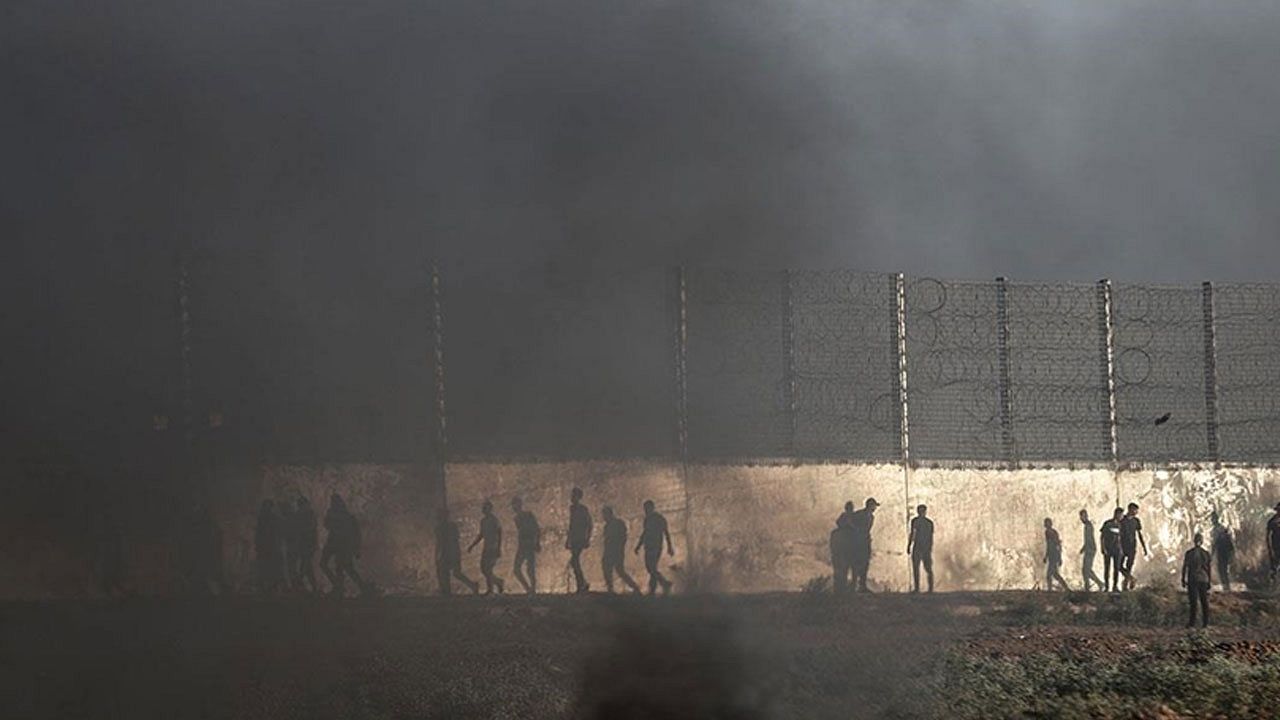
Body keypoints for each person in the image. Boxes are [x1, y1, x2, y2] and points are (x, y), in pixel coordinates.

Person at [320, 494, 372, 598]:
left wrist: (356, 548)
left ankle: (341, 588)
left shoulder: (346, 516)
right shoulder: (344, 515)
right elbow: (327, 525)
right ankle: (342, 587)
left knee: (343, 567)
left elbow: (355, 534)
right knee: (341, 567)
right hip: (337, 544)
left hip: (340, 545)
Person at [435, 508, 479, 595]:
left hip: (450, 552)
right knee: (448, 572)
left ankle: (448, 591)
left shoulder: (446, 527)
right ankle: (447, 591)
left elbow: (444, 542)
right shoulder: (444, 527)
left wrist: (438, 555)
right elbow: (440, 543)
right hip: (450, 552)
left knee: (452, 572)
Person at [635, 500, 674, 595]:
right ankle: (654, 588)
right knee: (651, 567)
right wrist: (639, 545)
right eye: (645, 509)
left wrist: (670, 546)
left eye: (647, 508)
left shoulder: (658, 518)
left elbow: (666, 533)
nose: (645, 510)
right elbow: (645, 533)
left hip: (656, 546)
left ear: (652, 508)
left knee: (651, 567)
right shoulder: (647, 519)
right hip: (649, 546)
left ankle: (663, 583)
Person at [467, 500, 505, 595]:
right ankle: (498, 582)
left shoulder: (494, 520)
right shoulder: (483, 521)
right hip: (486, 548)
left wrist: (499, 548)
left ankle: (491, 589)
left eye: (485, 507)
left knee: (488, 569)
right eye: (483, 508)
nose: (483, 509)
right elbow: (481, 535)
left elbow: (499, 534)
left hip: (493, 548)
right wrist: (472, 545)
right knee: (484, 569)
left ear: (490, 509)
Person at [601, 506, 641, 594]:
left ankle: (633, 587)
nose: (603, 517)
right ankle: (612, 588)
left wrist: (618, 548)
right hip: (612, 550)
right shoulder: (611, 525)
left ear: (609, 514)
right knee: (613, 569)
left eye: (604, 515)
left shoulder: (616, 524)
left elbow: (622, 537)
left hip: (615, 550)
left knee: (617, 570)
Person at [1181, 532, 1212, 628]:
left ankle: (1192, 623)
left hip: (1193, 579)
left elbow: (1185, 567)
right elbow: (1209, 568)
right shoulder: (1206, 554)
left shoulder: (1189, 553)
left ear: (1194, 541)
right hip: (1203, 579)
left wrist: (1183, 579)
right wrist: (1209, 581)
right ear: (1202, 542)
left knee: (1193, 602)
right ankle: (1205, 623)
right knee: (1204, 602)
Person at [511, 497, 541, 595]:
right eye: (513, 505)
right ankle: (528, 589)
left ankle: (532, 589)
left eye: (515, 504)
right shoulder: (516, 518)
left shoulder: (528, 515)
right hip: (522, 545)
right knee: (517, 569)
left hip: (529, 544)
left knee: (529, 569)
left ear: (520, 505)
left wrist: (537, 542)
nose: (514, 507)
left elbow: (536, 528)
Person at [848, 498, 879, 592]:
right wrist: (857, 532)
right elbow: (849, 523)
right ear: (870, 505)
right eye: (874, 506)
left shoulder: (872, 517)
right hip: (857, 542)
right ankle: (853, 585)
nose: (875, 508)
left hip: (865, 542)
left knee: (865, 563)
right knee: (856, 563)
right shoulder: (859, 514)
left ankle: (862, 585)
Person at [289, 496, 319, 593]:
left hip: (306, 543)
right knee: (307, 565)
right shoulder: (305, 514)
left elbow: (311, 529)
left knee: (305, 564)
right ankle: (312, 586)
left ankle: (299, 584)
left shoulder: (307, 514)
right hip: (305, 543)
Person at [254, 499, 284, 595]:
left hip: (271, 546)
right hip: (264, 546)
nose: (266, 508)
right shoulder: (262, 518)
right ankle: (265, 586)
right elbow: (258, 533)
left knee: (271, 566)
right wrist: (257, 544)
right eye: (265, 506)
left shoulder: (273, 518)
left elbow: (277, 533)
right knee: (264, 566)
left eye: (268, 506)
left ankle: (272, 586)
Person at [567, 487, 593, 594]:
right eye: (572, 496)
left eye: (574, 496)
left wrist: (587, 538)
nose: (572, 498)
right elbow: (571, 525)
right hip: (574, 538)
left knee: (574, 561)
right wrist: (568, 539)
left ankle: (581, 584)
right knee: (575, 562)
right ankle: (582, 584)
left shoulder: (583, 509)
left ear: (579, 497)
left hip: (580, 538)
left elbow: (589, 524)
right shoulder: (572, 508)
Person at [1119, 502, 1148, 591]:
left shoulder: (1136, 521)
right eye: (1135, 510)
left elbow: (1139, 534)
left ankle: (1126, 584)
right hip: (1123, 545)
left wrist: (1144, 547)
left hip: (1132, 546)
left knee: (1129, 566)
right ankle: (1131, 579)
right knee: (1119, 565)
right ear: (1130, 509)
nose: (1136, 512)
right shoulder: (1122, 520)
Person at [907, 504, 934, 593]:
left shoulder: (916, 521)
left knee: (921, 568)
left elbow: (913, 534)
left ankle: (922, 588)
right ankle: (928, 588)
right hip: (922, 547)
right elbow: (930, 537)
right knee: (923, 568)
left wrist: (909, 545)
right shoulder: (929, 522)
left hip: (920, 547)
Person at [1079, 509, 1105, 592]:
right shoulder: (1087, 525)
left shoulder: (1088, 525)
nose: (1081, 518)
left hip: (1090, 549)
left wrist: (1085, 547)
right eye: (1081, 516)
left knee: (1086, 569)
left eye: (1083, 516)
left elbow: (1089, 538)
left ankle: (1095, 584)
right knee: (1086, 569)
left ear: (1086, 516)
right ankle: (1090, 585)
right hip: (1089, 548)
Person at [1100, 507, 1124, 592]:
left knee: (1116, 568)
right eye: (1121, 515)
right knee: (1107, 568)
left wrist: (1121, 549)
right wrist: (1103, 548)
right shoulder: (1108, 524)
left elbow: (1121, 538)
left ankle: (1115, 586)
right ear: (1116, 514)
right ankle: (1106, 586)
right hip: (1108, 549)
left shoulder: (1120, 525)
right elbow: (1102, 536)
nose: (1122, 517)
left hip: (1117, 550)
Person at [1210, 511, 1234, 593]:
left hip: (1222, 550)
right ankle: (1226, 586)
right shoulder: (1220, 528)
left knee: (1222, 569)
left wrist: (1212, 554)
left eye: (1213, 519)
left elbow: (1215, 543)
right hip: (1222, 551)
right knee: (1223, 569)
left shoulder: (1217, 529)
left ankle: (1226, 586)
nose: (1212, 520)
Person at [1043, 518, 1070, 591]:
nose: (1045, 524)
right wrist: (1046, 556)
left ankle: (1050, 590)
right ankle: (1066, 588)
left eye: (1046, 523)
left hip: (1054, 555)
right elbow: (1049, 545)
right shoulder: (1048, 532)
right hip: (1052, 555)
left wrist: (1059, 557)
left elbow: (1057, 545)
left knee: (1049, 575)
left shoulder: (1051, 533)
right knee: (1055, 574)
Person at [830, 514, 853, 594]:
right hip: (840, 556)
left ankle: (839, 592)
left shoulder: (836, 533)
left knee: (841, 574)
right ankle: (839, 592)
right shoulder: (842, 534)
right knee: (840, 574)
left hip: (840, 556)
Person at [1267, 502, 1280, 587]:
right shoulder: (1272, 521)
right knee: (1275, 565)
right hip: (1276, 546)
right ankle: (1274, 584)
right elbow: (1267, 535)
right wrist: (1269, 547)